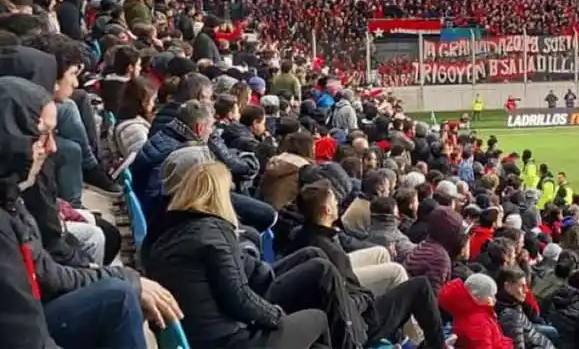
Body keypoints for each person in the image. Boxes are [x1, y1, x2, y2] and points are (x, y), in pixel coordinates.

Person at [0, 76, 182, 349]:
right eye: (43, 134)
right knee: (119, 297)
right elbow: (27, 338)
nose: (52, 147)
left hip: (40, 315)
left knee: (120, 291)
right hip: (36, 328)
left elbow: (48, 273)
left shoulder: (12, 199)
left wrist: (123, 278)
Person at [142, 161, 331, 349]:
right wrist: (278, 316)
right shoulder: (214, 231)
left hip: (198, 338)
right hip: (227, 341)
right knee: (319, 318)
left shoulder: (165, 233)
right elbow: (240, 299)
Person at [288, 179, 446, 349]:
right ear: (327, 210)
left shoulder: (305, 234)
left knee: (381, 253)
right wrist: (369, 297)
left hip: (342, 301)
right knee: (418, 285)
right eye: (334, 200)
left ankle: (403, 335)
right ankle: (423, 341)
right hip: (358, 325)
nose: (337, 202)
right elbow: (347, 299)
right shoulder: (329, 251)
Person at [438, 274, 513, 349]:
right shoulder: (478, 321)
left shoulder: (473, 314)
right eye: (491, 295)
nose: (494, 299)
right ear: (478, 297)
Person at [494, 266, 556, 349]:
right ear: (507, 286)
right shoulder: (510, 316)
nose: (526, 290)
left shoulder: (512, 304)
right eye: (521, 286)